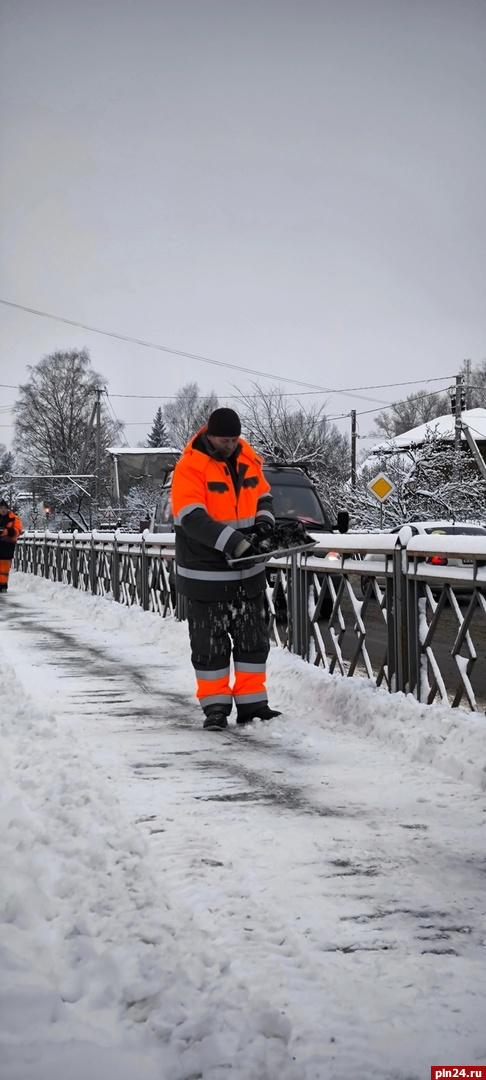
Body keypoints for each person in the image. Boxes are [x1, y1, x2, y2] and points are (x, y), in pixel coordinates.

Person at [171, 407, 282, 730]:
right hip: (207, 574)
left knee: (252, 642)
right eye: (224, 439)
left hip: (248, 572)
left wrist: (264, 523)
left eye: (234, 439)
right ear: (209, 434)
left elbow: (263, 495)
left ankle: (253, 705)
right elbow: (191, 517)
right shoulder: (190, 467)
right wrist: (233, 542)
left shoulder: (248, 457)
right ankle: (215, 708)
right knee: (210, 646)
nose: (230, 445)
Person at [0, 499, 22, 593]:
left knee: (4, 567)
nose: (3, 510)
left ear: (8, 509)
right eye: (1, 508)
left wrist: (7, 532)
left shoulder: (14, 518)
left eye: (5, 508)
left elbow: (18, 530)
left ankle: (3, 586)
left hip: (7, 545)